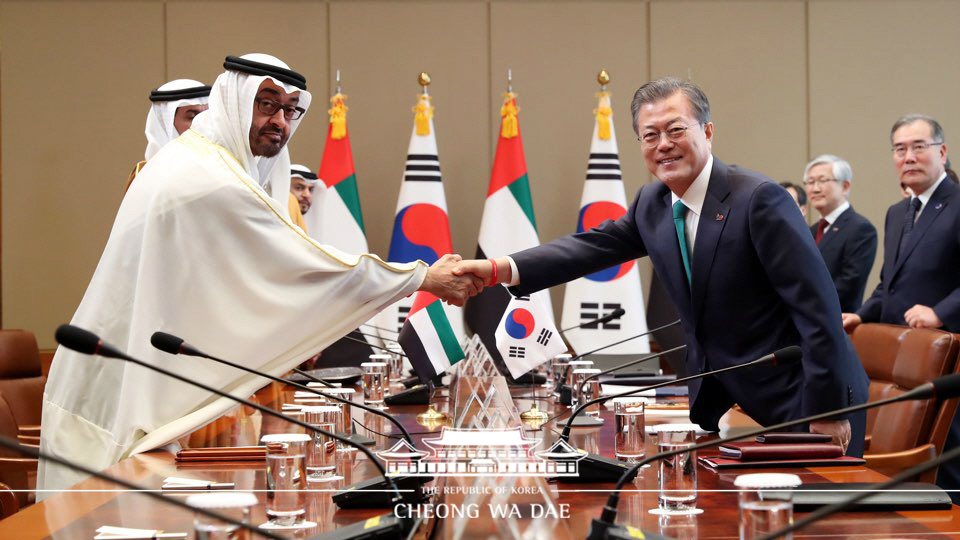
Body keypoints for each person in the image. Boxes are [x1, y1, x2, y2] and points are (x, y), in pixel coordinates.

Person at [38, 53, 479, 494]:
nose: (281, 122)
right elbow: (301, 266)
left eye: (290, 110)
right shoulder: (205, 176)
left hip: (134, 390)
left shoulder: (205, 161)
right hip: (108, 397)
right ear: (232, 102)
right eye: (266, 104)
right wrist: (421, 278)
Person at [456, 77, 868, 455]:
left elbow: (818, 310)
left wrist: (827, 409)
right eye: (649, 135)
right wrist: (496, 270)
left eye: (676, 130)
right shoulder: (652, 204)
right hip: (731, 403)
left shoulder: (758, 200)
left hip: (803, 399)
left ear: (707, 131)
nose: (663, 144)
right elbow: (589, 248)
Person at [843, 115, 960, 333]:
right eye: (900, 149)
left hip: (947, 346)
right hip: (898, 344)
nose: (909, 158)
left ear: (942, 153)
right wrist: (860, 315)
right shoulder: (896, 213)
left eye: (918, 147)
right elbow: (890, 285)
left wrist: (940, 313)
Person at [802, 155, 877, 312]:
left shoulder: (860, 228)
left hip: (837, 322)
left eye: (823, 181)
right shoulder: (810, 230)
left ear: (845, 186)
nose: (815, 189)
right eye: (810, 182)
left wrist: (804, 303)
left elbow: (848, 284)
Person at [127, 79, 211, 188]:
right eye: (192, 117)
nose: (202, 122)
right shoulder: (144, 177)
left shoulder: (222, 166)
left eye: (206, 115)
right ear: (165, 124)